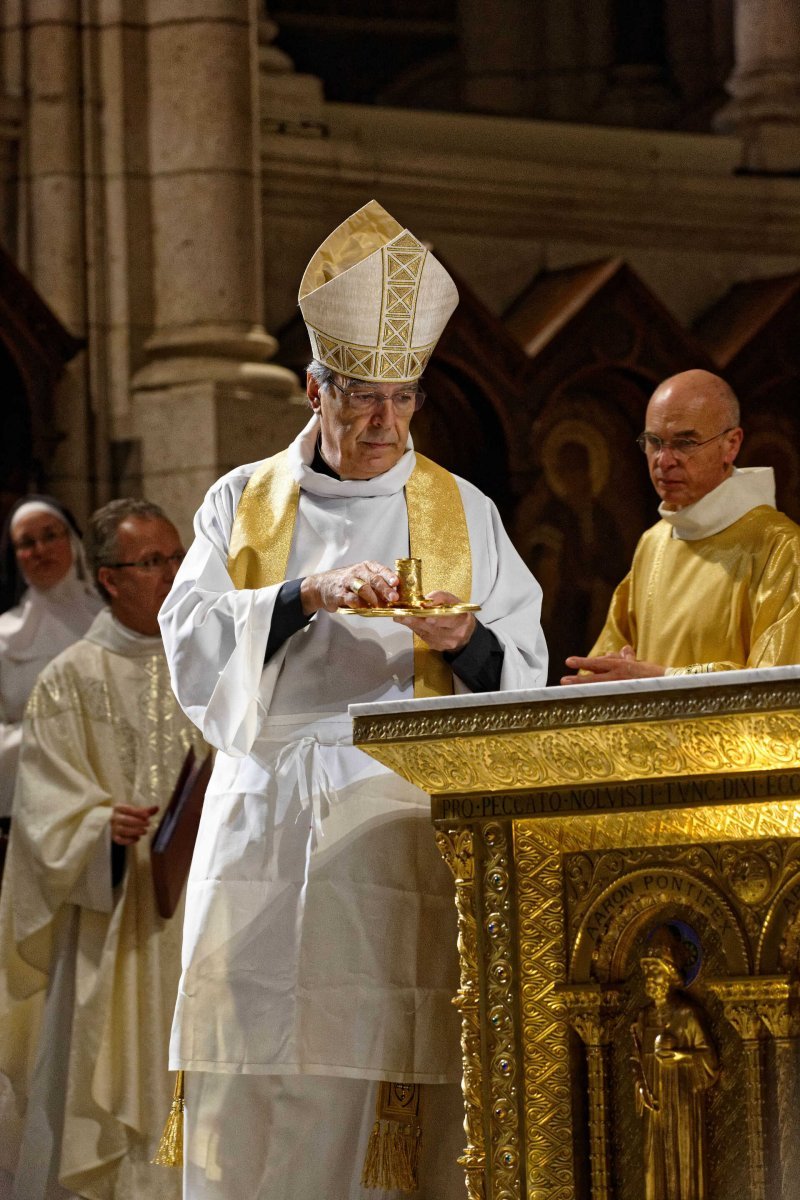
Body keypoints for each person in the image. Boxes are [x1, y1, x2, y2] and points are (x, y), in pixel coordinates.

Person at [159, 200, 548, 1200]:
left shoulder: (463, 511)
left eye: (402, 399)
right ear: (313, 388)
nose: (382, 424)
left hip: (396, 827)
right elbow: (190, 641)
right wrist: (296, 598)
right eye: (361, 397)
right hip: (263, 816)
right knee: (251, 1070)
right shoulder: (240, 501)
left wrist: (461, 640)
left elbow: (527, 672)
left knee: (388, 1074)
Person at [0, 498, 206, 1200]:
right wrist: (98, 828)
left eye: (178, 555)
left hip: (207, 920)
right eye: (154, 562)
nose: (174, 573)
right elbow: (41, 815)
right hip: (112, 928)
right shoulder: (70, 678)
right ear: (112, 579)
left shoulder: (205, 668)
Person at [561, 369, 800, 682]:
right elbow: (608, 668)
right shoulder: (654, 543)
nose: (664, 460)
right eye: (653, 442)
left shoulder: (782, 549)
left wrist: (660, 678)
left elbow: (777, 688)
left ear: (731, 445)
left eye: (685, 443)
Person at [0, 497, 102, 821]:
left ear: (72, 539)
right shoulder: (3, 635)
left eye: (50, 535)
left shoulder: (112, 621)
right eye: (27, 543)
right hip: (32, 797)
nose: (41, 549)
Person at [631, 928, 719, 1200]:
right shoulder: (643, 1016)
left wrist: (680, 1055)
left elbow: (710, 1060)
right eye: (647, 971)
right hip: (654, 1103)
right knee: (652, 1164)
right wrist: (641, 1087)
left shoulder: (686, 1013)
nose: (650, 978)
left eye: (655, 971)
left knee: (683, 1159)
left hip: (681, 1101)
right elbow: (635, 1059)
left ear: (670, 974)